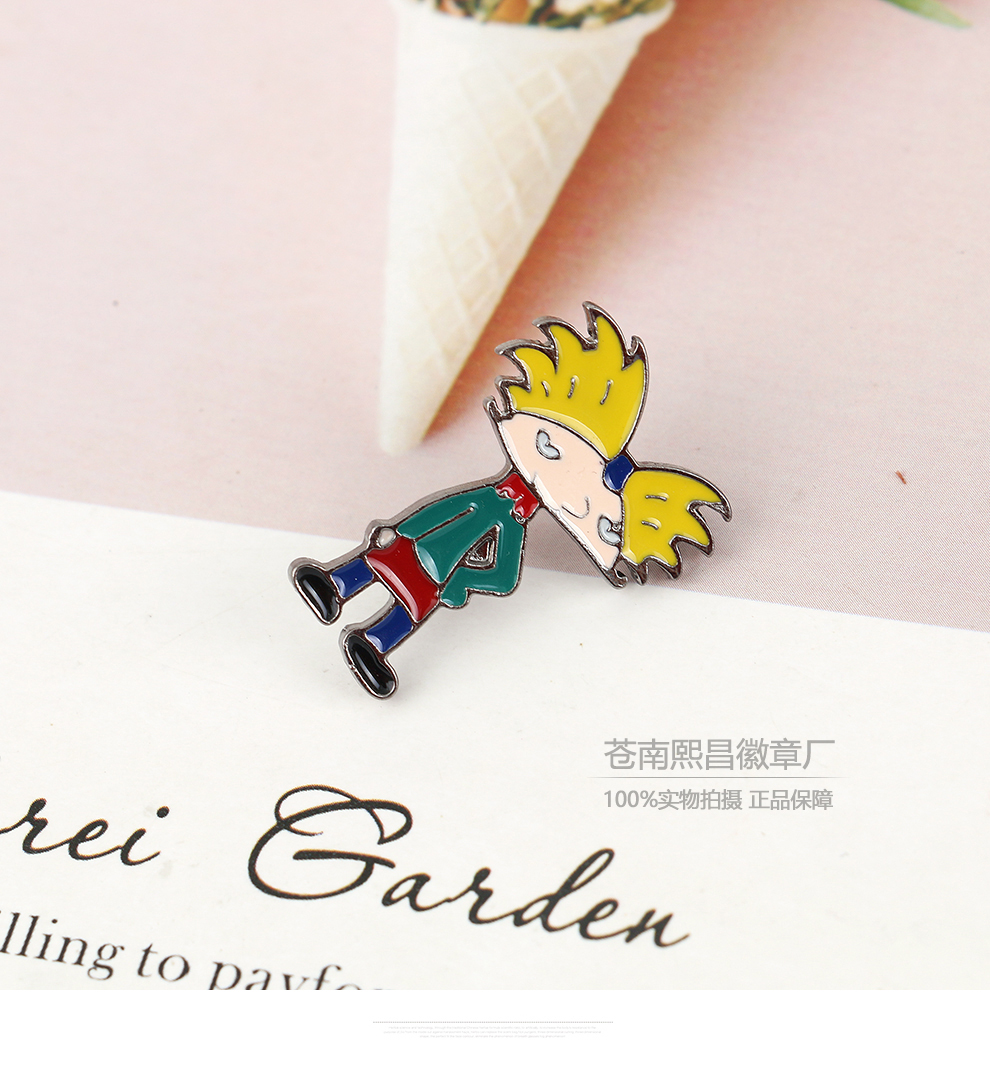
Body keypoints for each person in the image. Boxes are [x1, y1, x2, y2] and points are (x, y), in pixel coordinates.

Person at [291, 303, 731, 698]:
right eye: (547, 443)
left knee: (408, 605)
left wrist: (459, 583)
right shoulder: (492, 499)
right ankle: (333, 585)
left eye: (600, 521)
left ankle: (372, 643)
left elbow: (502, 578)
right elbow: (444, 511)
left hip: (437, 575)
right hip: (413, 549)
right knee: (379, 563)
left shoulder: (512, 520)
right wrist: (401, 530)